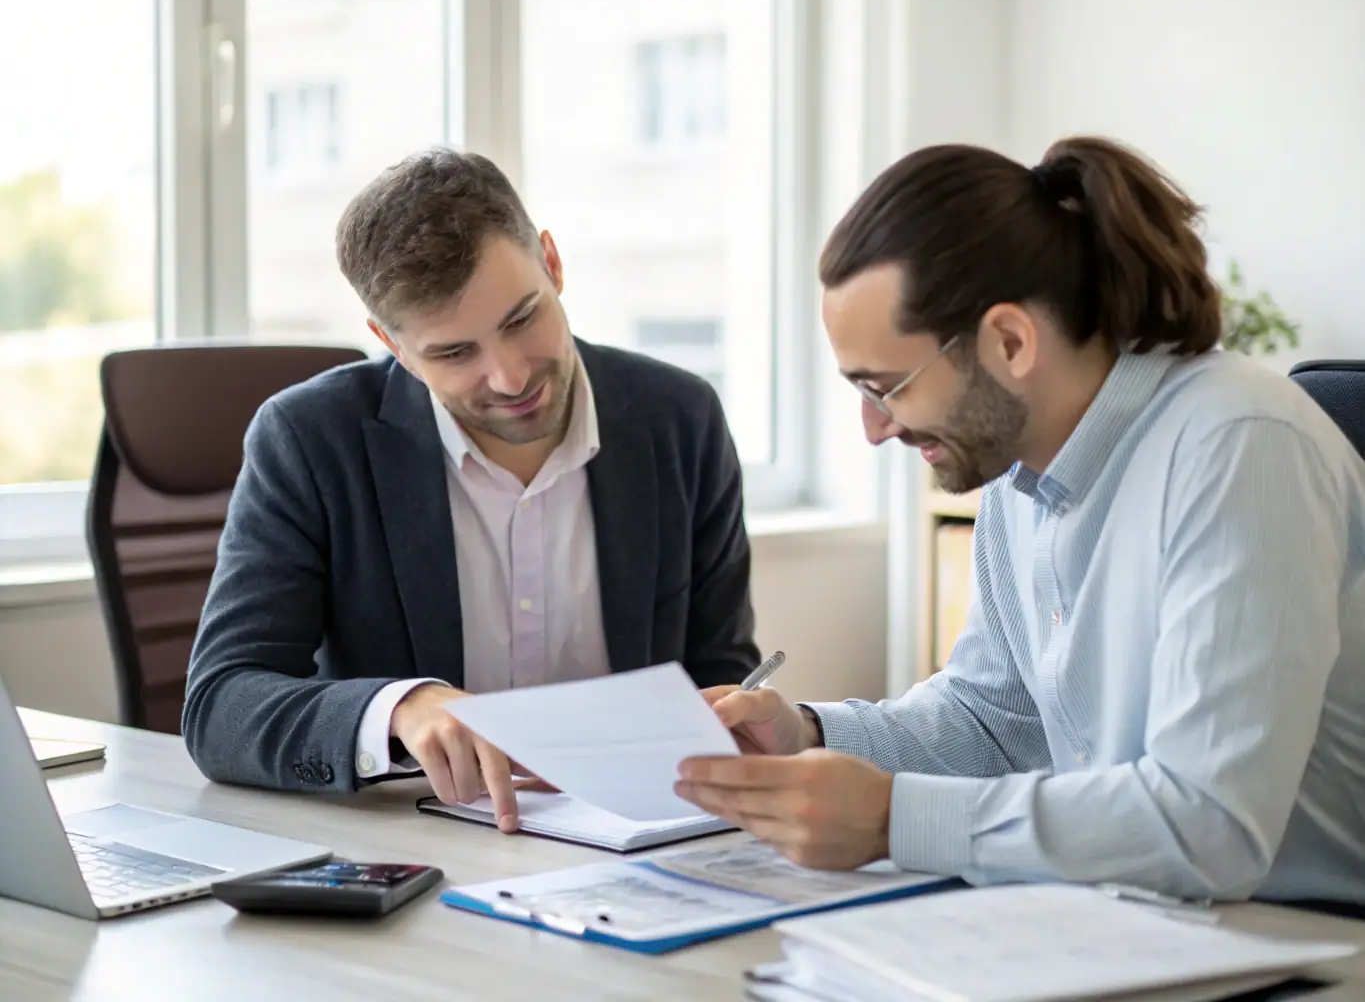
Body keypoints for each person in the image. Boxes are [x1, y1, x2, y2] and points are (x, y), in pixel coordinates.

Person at [675, 135, 1365, 904]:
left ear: (1008, 341)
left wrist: (886, 818)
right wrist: (808, 734)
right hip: (1136, 926)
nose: (873, 428)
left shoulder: (1240, 445)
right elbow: (995, 722)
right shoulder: (1017, 471)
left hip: (1312, 941)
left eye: (885, 387)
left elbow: (1208, 825)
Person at [183, 148, 761, 829]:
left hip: (642, 844)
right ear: (390, 343)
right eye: (454, 354)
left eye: (522, 319)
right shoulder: (310, 440)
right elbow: (220, 706)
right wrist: (401, 708)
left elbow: (718, 675)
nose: (511, 378)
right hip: (425, 851)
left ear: (551, 262)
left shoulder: (679, 418)